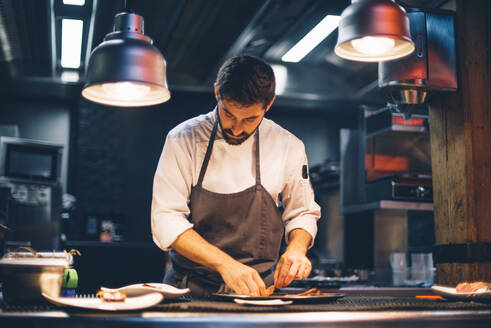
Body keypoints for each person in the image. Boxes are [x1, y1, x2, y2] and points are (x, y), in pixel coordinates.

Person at [151, 55, 321, 297]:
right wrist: (225, 264)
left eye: (250, 119)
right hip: (189, 289)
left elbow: (303, 211)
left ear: (269, 104)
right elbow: (165, 219)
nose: (237, 128)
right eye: (229, 114)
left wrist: (296, 248)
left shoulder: (288, 146)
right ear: (217, 93)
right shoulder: (182, 139)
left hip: (258, 292)